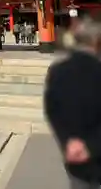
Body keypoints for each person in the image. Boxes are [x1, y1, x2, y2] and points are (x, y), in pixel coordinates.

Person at [44, 16, 101, 188]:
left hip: (74, 155)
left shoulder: (57, 71)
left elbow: (52, 110)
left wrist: (68, 141)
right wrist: (91, 146)